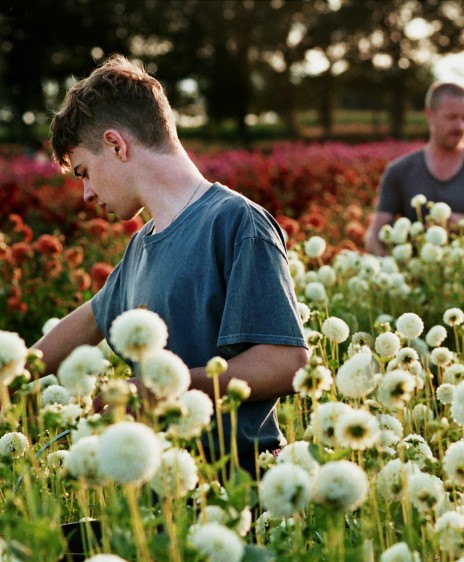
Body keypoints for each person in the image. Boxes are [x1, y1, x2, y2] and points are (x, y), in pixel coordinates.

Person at [33, 55, 308, 472]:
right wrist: (8, 374)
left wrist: (160, 389)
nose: (87, 194)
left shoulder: (235, 222)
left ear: (115, 144)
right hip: (163, 485)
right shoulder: (142, 246)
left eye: (85, 172)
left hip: (239, 483)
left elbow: (285, 363)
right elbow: (89, 320)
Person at [365, 82, 464, 256]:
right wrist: (393, 270)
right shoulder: (399, 171)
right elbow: (374, 236)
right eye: (451, 117)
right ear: (430, 115)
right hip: (417, 276)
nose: (460, 126)